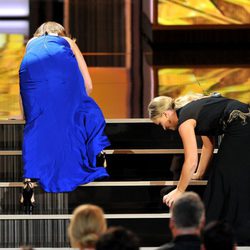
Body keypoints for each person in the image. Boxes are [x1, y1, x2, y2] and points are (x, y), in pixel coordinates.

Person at [19, 21, 110, 198]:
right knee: (86, 108)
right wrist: (76, 100)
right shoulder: (67, 42)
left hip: (31, 73)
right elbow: (88, 85)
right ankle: (98, 150)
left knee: (35, 125)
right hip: (61, 70)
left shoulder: (31, 44)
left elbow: (24, 86)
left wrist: (27, 114)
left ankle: (28, 183)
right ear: (61, 32)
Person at [148, 93, 250, 244]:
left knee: (222, 177)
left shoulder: (184, 121)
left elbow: (190, 160)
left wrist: (180, 191)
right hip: (242, 124)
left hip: (240, 125)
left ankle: (228, 232)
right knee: (224, 177)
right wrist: (199, 174)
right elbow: (208, 146)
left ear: (165, 113)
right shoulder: (191, 113)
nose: (164, 128)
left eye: (160, 123)